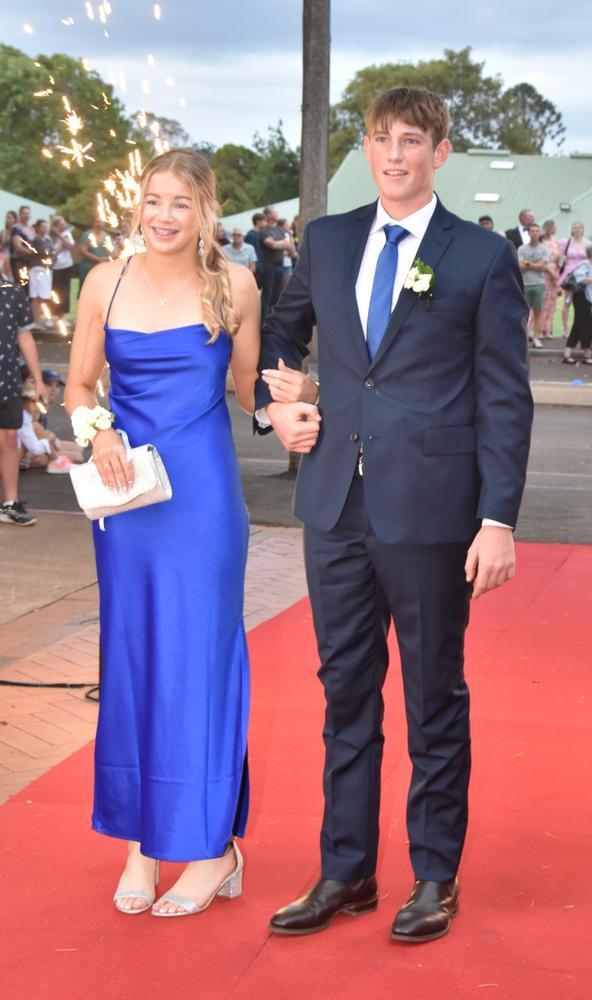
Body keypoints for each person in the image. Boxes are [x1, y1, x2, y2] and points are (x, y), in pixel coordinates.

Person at [256, 86, 533, 944]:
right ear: (367, 148)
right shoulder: (329, 240)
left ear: (441, 151)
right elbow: (281, 335)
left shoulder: (482, 257)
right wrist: (280, 409)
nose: (395, 154)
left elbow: (505, 399)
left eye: (412, 140)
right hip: (333, 502)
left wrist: (498, 520)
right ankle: (348, 869)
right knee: (345, 693)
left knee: (432, 695)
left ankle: (434, 875)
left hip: (433, 511)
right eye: (381, 139)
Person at [65, 149, 262, 916]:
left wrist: (294, 398)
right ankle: (141, 847)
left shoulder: (235, 285)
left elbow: (250, 392)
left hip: (204, 499)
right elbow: (81, 382)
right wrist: (98, 431)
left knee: (201, 664)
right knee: (134, 658)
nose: (165, 216)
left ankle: (211, 852)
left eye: (181, 202)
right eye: (154, 200)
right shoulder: (103, 281)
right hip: (129, 498)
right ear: (137, 205)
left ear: (205, 210)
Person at [0, 279, 45, 526]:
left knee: (9, 438)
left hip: (6, 381)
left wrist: (38, 379)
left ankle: (9, 503)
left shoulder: (12, 292)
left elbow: (24, 336)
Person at [562, 244, 592, 365]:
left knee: (579, 325)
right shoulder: (585, 264)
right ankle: (586, 354)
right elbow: (580, 279)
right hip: (582, 298)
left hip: (587, 298)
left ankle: (568, 353)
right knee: (587, 325)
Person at [518, 223, 551, 349]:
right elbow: (520, 266)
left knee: (538, 312)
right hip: (525, 284)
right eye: (532, 231)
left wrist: (528, 264)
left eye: (537, 231)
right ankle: (524, 337)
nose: (534, 233)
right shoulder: (522, 249)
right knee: (524, 313)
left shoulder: (543, 249)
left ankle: (536, 338)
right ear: (529, 232)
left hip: (538, 284)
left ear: (540, 233)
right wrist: (535, 264)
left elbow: (543, 266)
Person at [260, 206, 292, 320]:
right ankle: (264, 321)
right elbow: (271, 245)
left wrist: (278, 243)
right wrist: (281, 243)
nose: (277, 213)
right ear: (268, 215)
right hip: (269, 267)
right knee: (267, 296)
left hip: (280, 266)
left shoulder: (280, 230)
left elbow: (289, 245)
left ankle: (273, 320)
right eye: (274, 212)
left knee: (277, 295)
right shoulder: (264, 231)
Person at [559, 221, 589, 337]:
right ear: (572, 229)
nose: (577, 229)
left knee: (582, 304)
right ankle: (566, 330)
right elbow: (559, 258)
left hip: (582, 275)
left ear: (582, 230)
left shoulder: (588, 243)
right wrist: (562, 260)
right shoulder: (565, 242)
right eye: (575, 227)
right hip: (569, 275)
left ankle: (579, 329)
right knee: (567, 302)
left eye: (579, 228)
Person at [28, 220, 55, 326]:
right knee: (36, 296)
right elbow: (45, 253)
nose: (45, 228)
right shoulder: (36, 240)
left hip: (46, 270)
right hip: (38, 269)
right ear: (38, 228)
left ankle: (41, 320)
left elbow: (52, 253)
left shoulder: (47, 240)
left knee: (43, 296)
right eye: (43, 227)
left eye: (46, 226)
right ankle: (37, 321)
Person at [77, 216, 115, 290]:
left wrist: (106, 258)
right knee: (86, 289)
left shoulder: (107, 237)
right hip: (88, 267)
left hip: (102, 268)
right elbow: (82, 251)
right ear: (93, 223)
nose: (99, 224)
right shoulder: (87, 235)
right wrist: (97, 259)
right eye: (97, 222)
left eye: (101, 222)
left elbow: (111, 252)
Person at [539, 219, 562, 338]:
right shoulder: (541, 242)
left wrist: (560, 261)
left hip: (555, 270)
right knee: (543, 301)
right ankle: (540, 329)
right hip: (545, 272)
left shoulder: (555, 242)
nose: (555, 229)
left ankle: (548, 329)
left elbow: (558, 256)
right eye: (554, 227)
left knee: (552, 302)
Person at [50, 216, 76, 316]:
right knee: (55, 291)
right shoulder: (51, 237)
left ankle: (63, 313)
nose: (63, 226)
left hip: (67, 265)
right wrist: (61, 246)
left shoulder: (66, 234)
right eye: (61, 225)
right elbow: (53, 252)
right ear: (55, 226)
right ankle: (54, 313)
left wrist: (60, 235)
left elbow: (70, 246)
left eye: (64, 224)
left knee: (65, 291)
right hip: (56, 267)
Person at [10, 205, 36, 287]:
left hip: (30, 262)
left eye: (28, 213)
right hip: (19, 261)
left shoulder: (32, 229)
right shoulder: (16, 228)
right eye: (24, 213)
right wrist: (34, 253)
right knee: (21, 285)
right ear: (20, 214)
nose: (26, 215)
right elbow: (18, 247)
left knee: (30, 286)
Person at [244, 213, 265, 289]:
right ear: (258, 222)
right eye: (263, 221)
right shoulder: (251, 235)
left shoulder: (261, 234)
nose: (265, 223)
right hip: (255, 267)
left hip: (261, 266)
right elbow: (249, 253)